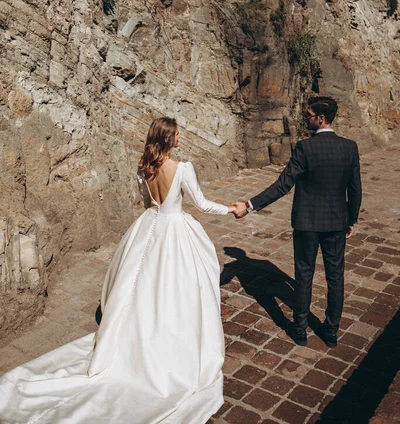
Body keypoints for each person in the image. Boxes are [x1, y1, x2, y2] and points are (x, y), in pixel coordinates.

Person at [0, 117, 235, 424]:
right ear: (168, 139)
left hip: (149, 227)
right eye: (176, 135)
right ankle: (166, 345)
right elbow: (202, 205)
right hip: (175, 230)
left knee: (139, 286)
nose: (180, 138)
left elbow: (146, 203)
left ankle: (132, 336)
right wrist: (232, 208)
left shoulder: (144, 167)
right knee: (176, 289)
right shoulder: (183, 169)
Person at [233, 97, 362, 348]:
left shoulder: (305, 148)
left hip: (306, 223)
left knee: (304, 275)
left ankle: (300, 328)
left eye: (308, 115)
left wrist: (250, 205)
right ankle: (331, 331)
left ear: (321, 119)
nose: (306, 119)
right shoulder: (350, 147)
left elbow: (283, 185)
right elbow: (355, 189)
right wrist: (351, 219)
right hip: (336, 222)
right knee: (336, 277)